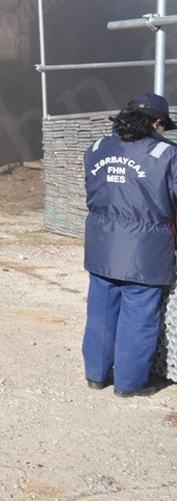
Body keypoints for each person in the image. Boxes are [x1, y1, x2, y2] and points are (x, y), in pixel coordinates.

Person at [81, 92, 177, 397]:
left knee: (101, 312)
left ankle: (96, 376)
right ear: (157, 123)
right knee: (138, 316)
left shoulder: (97, 149)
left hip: (102, 246)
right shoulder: (167, 154)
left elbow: (95, 193)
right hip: (144, 253)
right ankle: (129, 384)